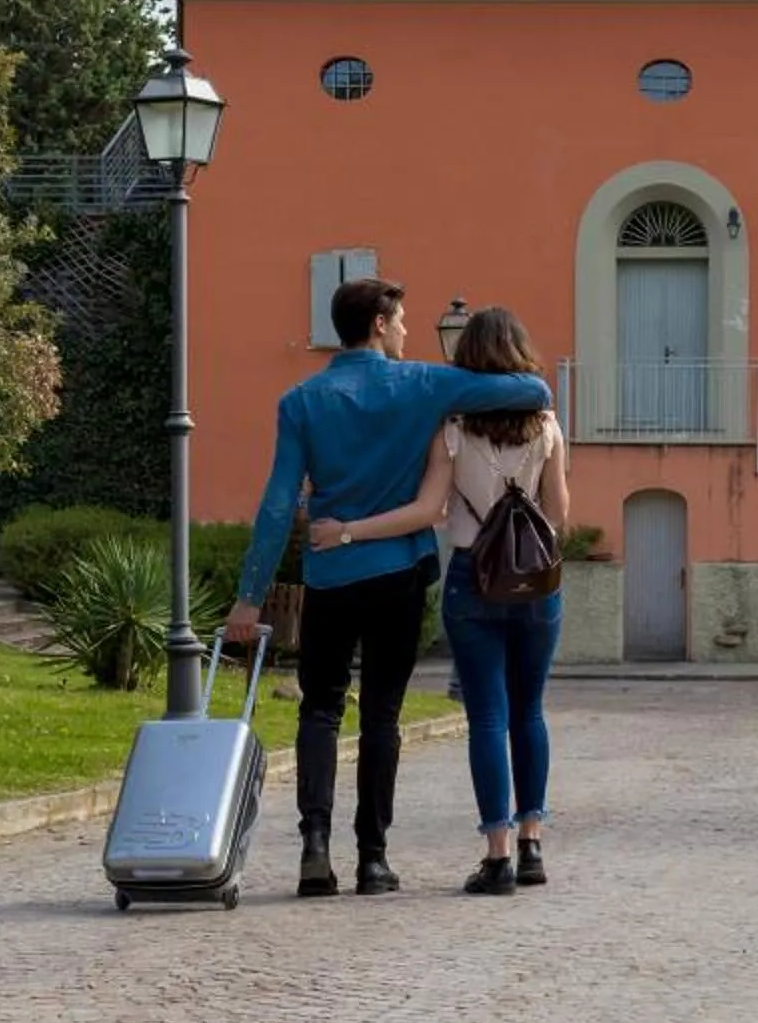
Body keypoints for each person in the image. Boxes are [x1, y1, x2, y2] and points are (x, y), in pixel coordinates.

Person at [224, 277, 551, 898]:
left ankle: (314, 849)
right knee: (382, 715)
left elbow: (275, 505)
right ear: (378, 323)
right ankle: (373, 859)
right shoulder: (423, 384)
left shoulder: (301, 400)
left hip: (330, 578)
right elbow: (533, 388)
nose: (406, 331)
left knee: (319, 709)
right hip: (398, 575)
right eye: (400, 320)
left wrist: (251, 593)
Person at [312, 306, 568, 897]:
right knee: (529, 712)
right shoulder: (546, 425)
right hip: (536, 585)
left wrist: (347, 530)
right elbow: (558, 513)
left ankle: (497, 854)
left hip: (472, 582)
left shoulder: (452, 428)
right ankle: (533, 843)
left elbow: (429, 511)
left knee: (487, 717)